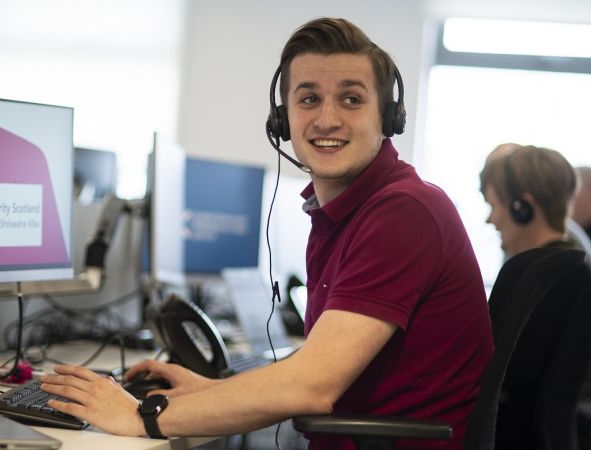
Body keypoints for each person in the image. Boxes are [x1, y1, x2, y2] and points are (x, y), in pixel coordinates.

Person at [39, 18, 493, 450]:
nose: (327, 119)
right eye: (308, 99)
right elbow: (323, 363)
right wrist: (215, 390)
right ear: (283, 119)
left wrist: (142, 417)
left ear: (388, 118)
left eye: (352, 99)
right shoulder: (345, 212)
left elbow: (314, 386)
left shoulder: (403, 213)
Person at [479, 144, 591, 449]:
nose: (490, 219)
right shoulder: (573, 263)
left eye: (494, 205)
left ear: (523, 208)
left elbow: (501, 371)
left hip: (513, 433)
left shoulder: (538, 274)